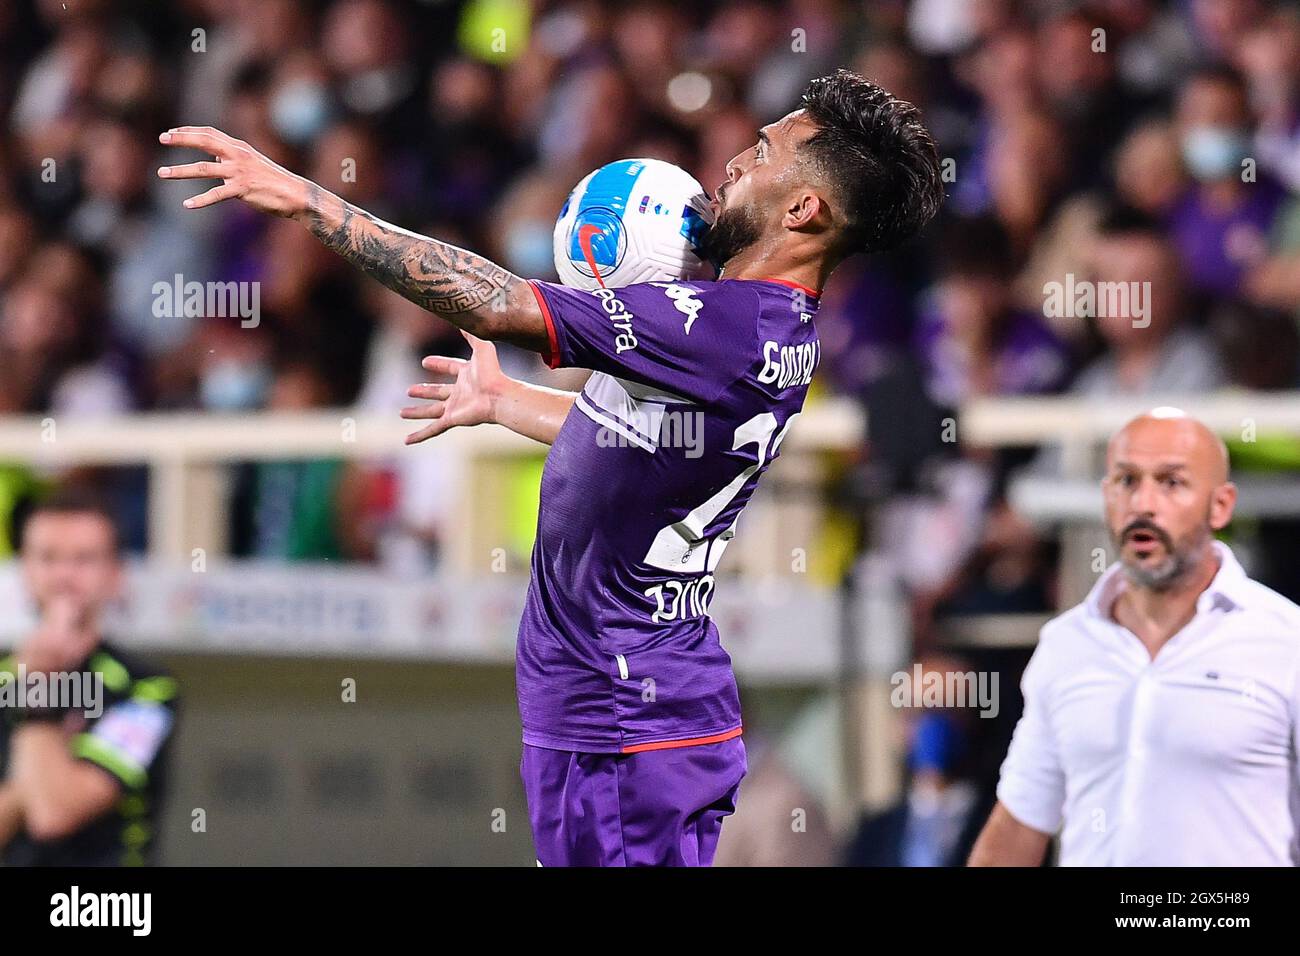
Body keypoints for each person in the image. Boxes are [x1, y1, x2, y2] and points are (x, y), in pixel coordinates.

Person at [158, 68, 944, 865]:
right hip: (618, 706)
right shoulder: (768, 329)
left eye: (763, 150)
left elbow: (499, 303)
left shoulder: (723, 325)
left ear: (804, 207)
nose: (735, 161)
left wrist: (307, 202)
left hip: (625, 716)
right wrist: (508, 405)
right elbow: (641, 443)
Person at [969, 408, 1300, 866]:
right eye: (1127, 481)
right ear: (1107, 497)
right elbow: (1020, 824)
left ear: (1220, 505)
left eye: (1171, 483)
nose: (1144, 504)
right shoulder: (1066, 645)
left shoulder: (1285, 641)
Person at [0, 490, 179, 866]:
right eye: (47, 558)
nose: (64, 576)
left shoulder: (146, 689)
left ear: (115, 574)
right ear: (24, 571)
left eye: (83, 560)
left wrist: (36, 693)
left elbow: (53, 814)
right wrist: (45, 769)